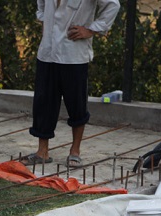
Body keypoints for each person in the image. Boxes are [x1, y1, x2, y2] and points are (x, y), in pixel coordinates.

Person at [21, 0, 120, 168]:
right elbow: (41, 5)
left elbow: (113, 4)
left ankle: (75, 151)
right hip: (47, 52)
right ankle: (42, 151)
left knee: (76, 103)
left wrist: (90, 30)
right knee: (43, 102)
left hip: (73, 54)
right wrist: (45, 23)